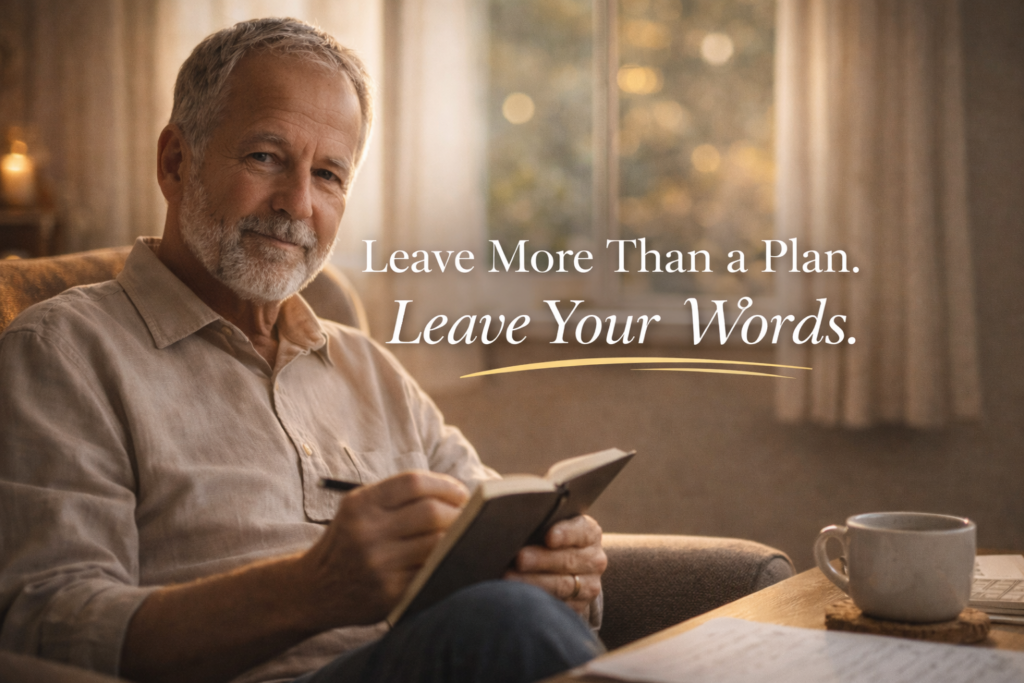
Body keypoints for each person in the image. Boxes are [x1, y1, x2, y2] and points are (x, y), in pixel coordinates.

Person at [0, 17, 606, 683]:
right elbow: (47, 625)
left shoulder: (370, 369)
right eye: (265, 157)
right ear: (176, 162)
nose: (296, 203)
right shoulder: (61, 352)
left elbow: (492, 525)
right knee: (503, 626)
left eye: (328, 174)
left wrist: (560, 565)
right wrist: (313, 588)